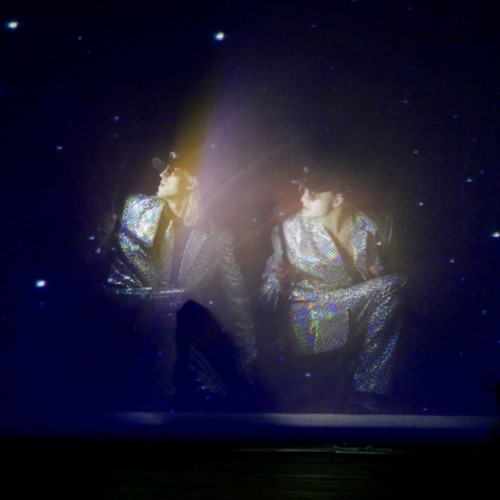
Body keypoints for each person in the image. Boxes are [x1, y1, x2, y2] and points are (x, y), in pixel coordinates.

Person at [97, 151, 257, 411]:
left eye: (171, 170)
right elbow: (109, 268)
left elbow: (237, 300)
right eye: (163, 169)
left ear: (192, 183)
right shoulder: (135, 209)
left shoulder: (218, 237)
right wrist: (102, 238)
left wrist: (246, 359)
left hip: (182, 347)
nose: (161, 174)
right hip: (134, 325)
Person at [260, 163, 407, 413]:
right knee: (395, 284)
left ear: (338, 199)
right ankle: (367, 391)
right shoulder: (289, 231)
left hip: (361, 319)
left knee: (397, 285)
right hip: (313, 323)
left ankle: (367, 393)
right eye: (302, 190)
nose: (303, 198)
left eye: (314, 193)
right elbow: (267, 297)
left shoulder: (378, 226)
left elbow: (391, 283)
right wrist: (281, 282)